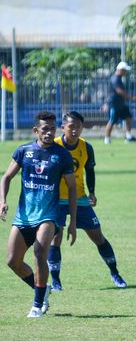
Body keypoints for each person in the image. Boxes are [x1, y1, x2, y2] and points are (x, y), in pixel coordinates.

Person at [0, 111, 77, 317]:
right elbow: (6, 177)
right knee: (12, 261)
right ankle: (42, 289)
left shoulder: (62, 155)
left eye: (52, 129)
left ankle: (37, 305)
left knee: (40, 252)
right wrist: (2, 201)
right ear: (36, 130)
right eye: (45, 129)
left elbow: (71, 188)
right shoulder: (24, 151)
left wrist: (72, 221)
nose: (49, 133)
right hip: (24, 216)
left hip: (49, 215)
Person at [47, 111, 127, 290]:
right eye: (71, 127)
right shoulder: (54, 146)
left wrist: (92, 192)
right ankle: (56, 281)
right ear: (63, 128)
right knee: (56, 237)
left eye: (78, 127)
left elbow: (89, 171)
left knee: (98, 236)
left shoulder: (86, 147)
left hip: (80, 197)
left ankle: (115, 273)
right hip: (56, 199)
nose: (75, 130)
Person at [103, 61, 136, 145]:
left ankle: (128, 137)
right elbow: (119, 91)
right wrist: (131, 97)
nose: (125, 72)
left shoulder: (119, 78)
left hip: (121, 104)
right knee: (112, 121)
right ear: (120, 70)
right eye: (124, 70)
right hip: (114, 104)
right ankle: (107, 139)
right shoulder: (115, 78)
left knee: (128, 117)